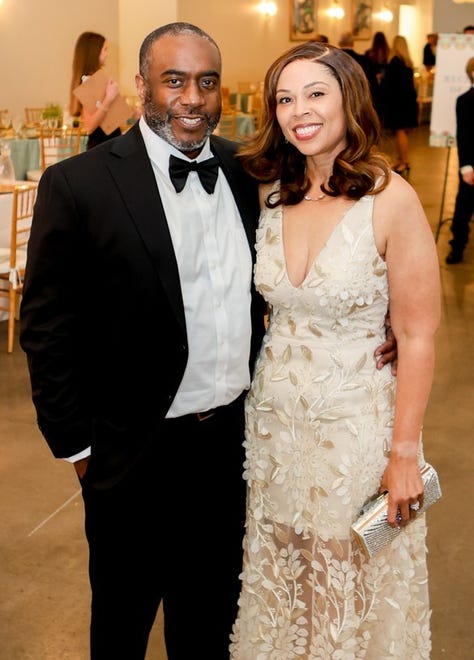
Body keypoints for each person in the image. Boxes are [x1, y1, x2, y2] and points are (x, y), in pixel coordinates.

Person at [19, 22, 396, 659]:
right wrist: (79, 447)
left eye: (206, 81)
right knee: (122, 622)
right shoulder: (78, 185)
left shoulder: (249, 171)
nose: (192, 97)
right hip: (129, 449)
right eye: (174, 80)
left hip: (230, 444)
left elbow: (319, 249)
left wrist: (378, 313)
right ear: (142, 87)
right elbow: (46, 327)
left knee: (212, 618)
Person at [229, 40, 440, 658]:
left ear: (350, 99)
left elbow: (420, 335)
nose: (299, 111)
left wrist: (403, 454)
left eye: (315, 94)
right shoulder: (272, 193)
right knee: (286, 574)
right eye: (285, 99)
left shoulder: (390, 199)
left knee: (350, 578)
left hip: (356, 428)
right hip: (274, 428)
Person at [69, 31, 123, 150]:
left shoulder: (97, 78)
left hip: (109, 142)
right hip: (102, 146)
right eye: (105, 49)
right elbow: (90, 126)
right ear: (94, 52)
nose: (107, 54)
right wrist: (109, 99)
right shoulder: (89, 81)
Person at [446, 56, 474, 264]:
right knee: (463, 208)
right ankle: (457, 246)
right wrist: (465, 167)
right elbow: (463, 135)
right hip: (472, 165)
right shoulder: (465, 101)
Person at [380, 35, 419, 175]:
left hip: (398, 104)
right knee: (401, 133)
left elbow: (390, 85)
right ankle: (401, 159)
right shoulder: (407, 62)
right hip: (407, 102)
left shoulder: (395, 62)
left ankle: (404, 161)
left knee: (400, 133)